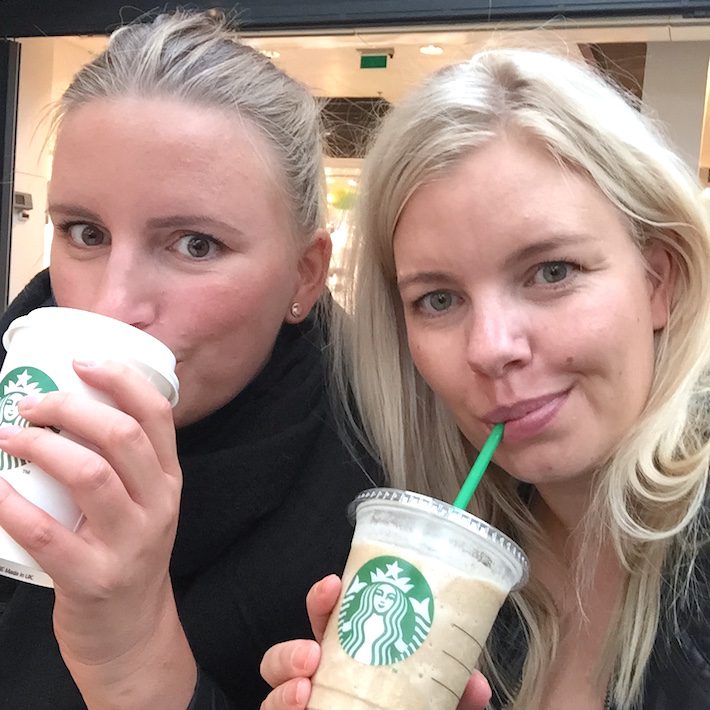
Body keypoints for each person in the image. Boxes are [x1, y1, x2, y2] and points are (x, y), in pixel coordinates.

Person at [260, 46, 710, 709]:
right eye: (438, 299)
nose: (491, 349)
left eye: (552, 271)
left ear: (657, 281)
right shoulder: (460, 576)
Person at [0, 10, 381, 709]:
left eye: (195, 245)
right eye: (85, 233)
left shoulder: (370, 511)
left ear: (304, 275)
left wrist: (133, 653)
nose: (112, 305)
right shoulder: (17, 379)